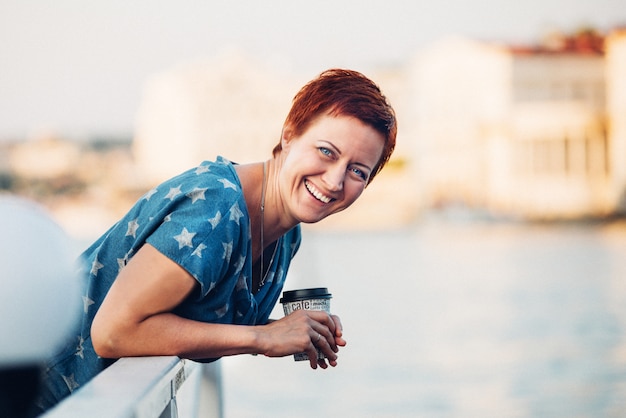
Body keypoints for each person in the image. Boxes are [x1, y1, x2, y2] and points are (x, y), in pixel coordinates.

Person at [34, 68, 397, 414]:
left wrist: (281, 329)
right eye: (326, 151)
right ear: (289, 135)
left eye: (357, 171)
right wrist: (261, 340)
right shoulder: (217, 209)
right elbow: (112, 332)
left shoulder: (287, 235)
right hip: (32, 398)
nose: (335, 181)